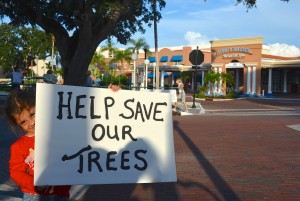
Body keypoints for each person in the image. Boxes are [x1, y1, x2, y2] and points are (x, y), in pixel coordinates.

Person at [5, 89, 71, 201]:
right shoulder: (19, 146)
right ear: (18, 125)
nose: (31, 123)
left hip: (60, 193)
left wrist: (110, 95)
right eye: (23, 122)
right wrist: (34, 183)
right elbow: (16, 172)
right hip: (33, 195)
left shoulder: (60, 134)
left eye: (33, 114)